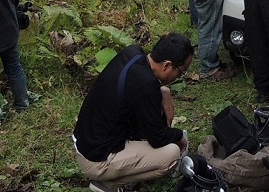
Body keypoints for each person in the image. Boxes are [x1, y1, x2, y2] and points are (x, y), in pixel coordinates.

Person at [73, 32, 194, 192]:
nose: (179, 76)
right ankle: (107, 185)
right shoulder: (146, 84)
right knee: (171, 154)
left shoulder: (133, 53)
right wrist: (179, 137)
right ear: (166, 65)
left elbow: (137, 88)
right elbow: (157, 138)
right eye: (181, 71)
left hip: (86, 141)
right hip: (96, 159)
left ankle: (118, 172)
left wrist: (163, 92)